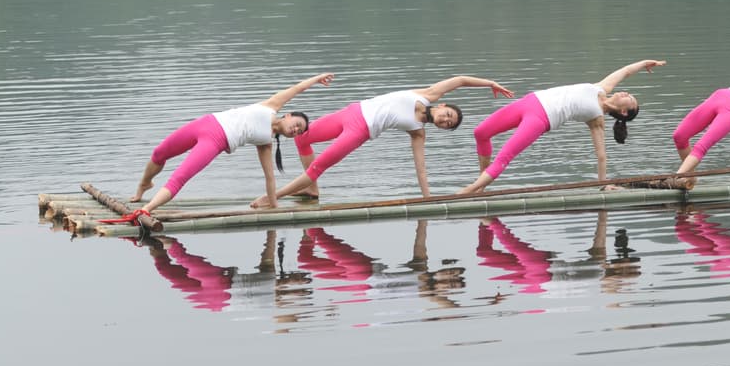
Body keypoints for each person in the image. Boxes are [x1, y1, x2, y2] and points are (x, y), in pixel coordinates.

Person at [252, 75, 515, 207]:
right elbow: (459, 80)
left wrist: (428, 199)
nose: (446, 120)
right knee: (303, 137)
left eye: (448, 124)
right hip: (351, 111)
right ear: (442, 105)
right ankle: (311, 190)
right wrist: (490, 83)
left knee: (318, 166)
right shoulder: (427, 95)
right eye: (448, 115)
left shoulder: (417, 131)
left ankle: (270, 197)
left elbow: (420, 168)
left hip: (359, 131)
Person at [115, 73, 335, 224]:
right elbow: (298, 89)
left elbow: (269, 178)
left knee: (180, 177)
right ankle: (143, 186)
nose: (295, 130)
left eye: (298, 131)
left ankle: (147, 208)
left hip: (215, 141)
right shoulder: (271, 106)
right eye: (296, 124)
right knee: (159, 153)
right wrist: (317, 79)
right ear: (288, 116)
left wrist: (273, 206)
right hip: (206, 122)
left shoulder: (265, 142)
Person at [460, 59, 667, 195]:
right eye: (629, 94)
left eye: (630, 99)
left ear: (624, 112)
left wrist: (603, 183)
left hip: (541, 119)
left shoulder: (596, 119)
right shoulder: (603, 88)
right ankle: (482, 184)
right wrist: (645, 64)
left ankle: (470, 190)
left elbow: (601, 155)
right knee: (481, 132)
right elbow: (625, 71)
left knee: (504, 156)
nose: (627, 93)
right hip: (530, 101)